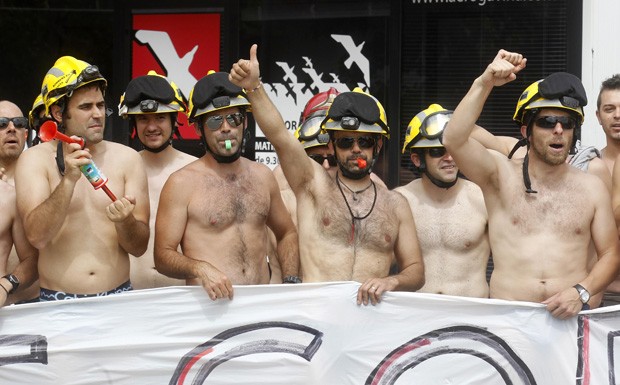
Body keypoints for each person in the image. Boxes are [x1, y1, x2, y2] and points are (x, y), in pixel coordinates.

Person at [229, 44, 424, 306]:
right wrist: (254, 88)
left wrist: (393, 281)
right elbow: (280, 136)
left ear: (377, 146)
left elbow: (416, 270)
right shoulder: (312, 185)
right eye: (345, 142)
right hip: (317, 316)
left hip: (371, 323)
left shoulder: (396, 204)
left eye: (365, 141)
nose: (356, 149)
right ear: (331, 145)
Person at [443, 49, 620, 319]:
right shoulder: (498, 175)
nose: (559, 130)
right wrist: (485, 82)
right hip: (509, 317)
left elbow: (610, 254)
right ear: (526, 131)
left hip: (570, 318)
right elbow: (453, 139)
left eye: (567, 123)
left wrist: (581, 292)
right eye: (547, 122)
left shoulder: (591, 186)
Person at [154, 70, 300, 301]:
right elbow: (162, 256)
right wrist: (200, 268)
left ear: (244, 123)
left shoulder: (263, 176)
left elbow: (287, 232)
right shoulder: (181, 183)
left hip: (258, 305)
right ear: (198, 129)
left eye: (234, 118)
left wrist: (291, 280)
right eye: (214, 121)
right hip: (209, 311)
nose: (225, 128)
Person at [15, 56, 150, 301]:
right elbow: (37, 236)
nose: (98, 114)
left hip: (118, 298)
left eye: (100, 105)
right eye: (86, 107)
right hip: (58, 301)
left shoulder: (128, 158)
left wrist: (125, 222)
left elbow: (139, 248)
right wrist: (68, 181)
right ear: (58, 112)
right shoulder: (33, 160)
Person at [395, 104, 490, 298]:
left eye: (453, 149)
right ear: (416, 159)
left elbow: (516, 262)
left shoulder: (483, 198)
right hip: (416, 318)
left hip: (469, 319)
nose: (449, 158)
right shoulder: (399, 200)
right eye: (438, 152)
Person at [119, 71, 197, 289]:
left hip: (185, 297)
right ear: (133, 122)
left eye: (160, 117)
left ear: (174, 120)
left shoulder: (196, 169)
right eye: (143, 119)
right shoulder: (120, 169)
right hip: (131, 296)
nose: (151, 127)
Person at [0, 100, 39, 305]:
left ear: (26, 133)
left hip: (32, 304)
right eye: (2, 123)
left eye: (19, 122)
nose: (11, 128)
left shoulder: (44, 180)